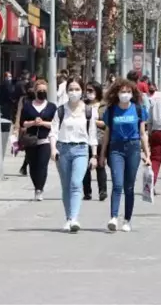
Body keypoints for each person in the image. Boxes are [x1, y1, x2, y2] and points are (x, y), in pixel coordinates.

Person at [100, 78, 150, 232]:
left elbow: (143, 134)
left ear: (133, 93)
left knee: (129, 186)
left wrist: (147, 155)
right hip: (116, 148)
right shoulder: (111, 110)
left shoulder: (138, 109)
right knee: (117, 184)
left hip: (133, 147)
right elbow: (107, 133)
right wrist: (102, 154)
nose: (125, 94)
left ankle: (127, 219)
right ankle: (113, 217)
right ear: (117, 93)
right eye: (122, 92)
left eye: (128, 92)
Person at [49, 77, 98, 233]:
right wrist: (53, 149)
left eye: (77, 89)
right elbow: (53, 132)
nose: (74, 92)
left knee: (76, 183)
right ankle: (68, 218)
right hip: (63, 150)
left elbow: (92, 135)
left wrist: (94, 155)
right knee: (66, 186)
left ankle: (74, 218)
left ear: (82, 90)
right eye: (71, 89)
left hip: (81, 150)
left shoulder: (89, 111)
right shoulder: (61, 110)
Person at [19, 79, 57, 201]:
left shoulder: (51, 107)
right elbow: (22, 123)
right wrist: (33, 123)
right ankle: (36, 185)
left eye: (44, 90)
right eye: (39, 90)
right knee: (32, 167)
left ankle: (39, 189)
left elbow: (55, 124)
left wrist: (43, 123)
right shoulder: (28, 106)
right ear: (35, 92)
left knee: (42, 165)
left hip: (45, 140)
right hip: (31, 141)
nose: (42, 92)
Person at [83, 81, 108, 201]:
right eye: (87, 90)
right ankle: (87, 192)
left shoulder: (104, 106)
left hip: (100, 139)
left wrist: (93, 122)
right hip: (84, 139)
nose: (88, 93)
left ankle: (102, 191)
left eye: (91, 90)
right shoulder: (83, 104)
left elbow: (106, 124)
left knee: (100, 166)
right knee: (84, 167)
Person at [13, 81, 35, 176]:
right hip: (24, 126)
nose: (30, 90)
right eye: (29, 88)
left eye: (32, 88)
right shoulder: (23, 99)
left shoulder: (38, 98)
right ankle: (25, 167)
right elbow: (19, 113)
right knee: (28, 148)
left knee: (32, 148)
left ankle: (24, 166)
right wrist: (17, 126)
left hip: (35, 125)